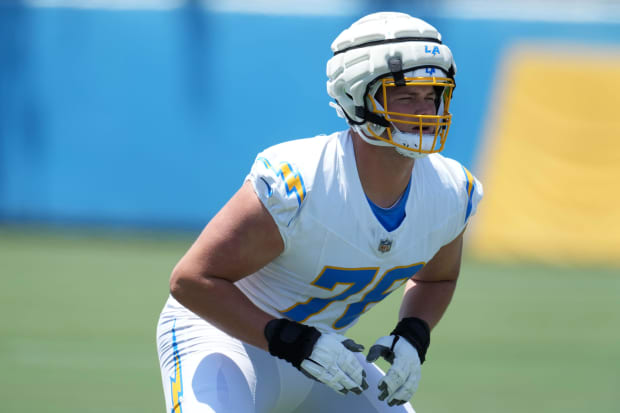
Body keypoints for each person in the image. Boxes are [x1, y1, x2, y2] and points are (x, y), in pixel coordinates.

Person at [156, 11, 483, 413]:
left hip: (324, 356)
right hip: (225, 338)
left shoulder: (450, 191)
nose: (425, 111)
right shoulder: (303, 183)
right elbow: (191, 281)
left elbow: (437, 279)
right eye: (405, 95)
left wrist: (414, 334)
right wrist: (293, 341)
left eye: (432, 95)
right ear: (356, 97)